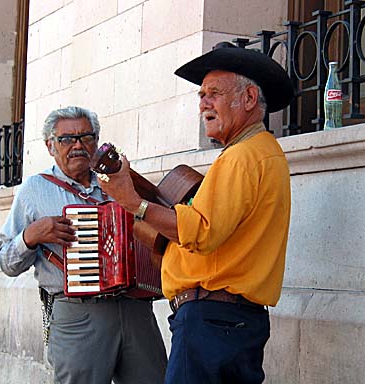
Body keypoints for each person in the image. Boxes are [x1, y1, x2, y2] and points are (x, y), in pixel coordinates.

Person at [98, 43, 294, 384]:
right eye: (201, 95)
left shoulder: (242, 156)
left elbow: (202, 232)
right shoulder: (261, 153)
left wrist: (134, 203)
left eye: (214, 93)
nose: (203, 103)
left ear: (249, 99)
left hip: (212, 319)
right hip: (229, 320)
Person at [0, 106, 167, 384]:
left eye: (86, 137)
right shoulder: (34, 190)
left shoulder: (119, 183)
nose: (78, 145)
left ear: (97, 143)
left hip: (136, 309)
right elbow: (6, 261)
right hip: (78, 316)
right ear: (50, 146)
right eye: (66, 139)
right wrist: (31, 236)